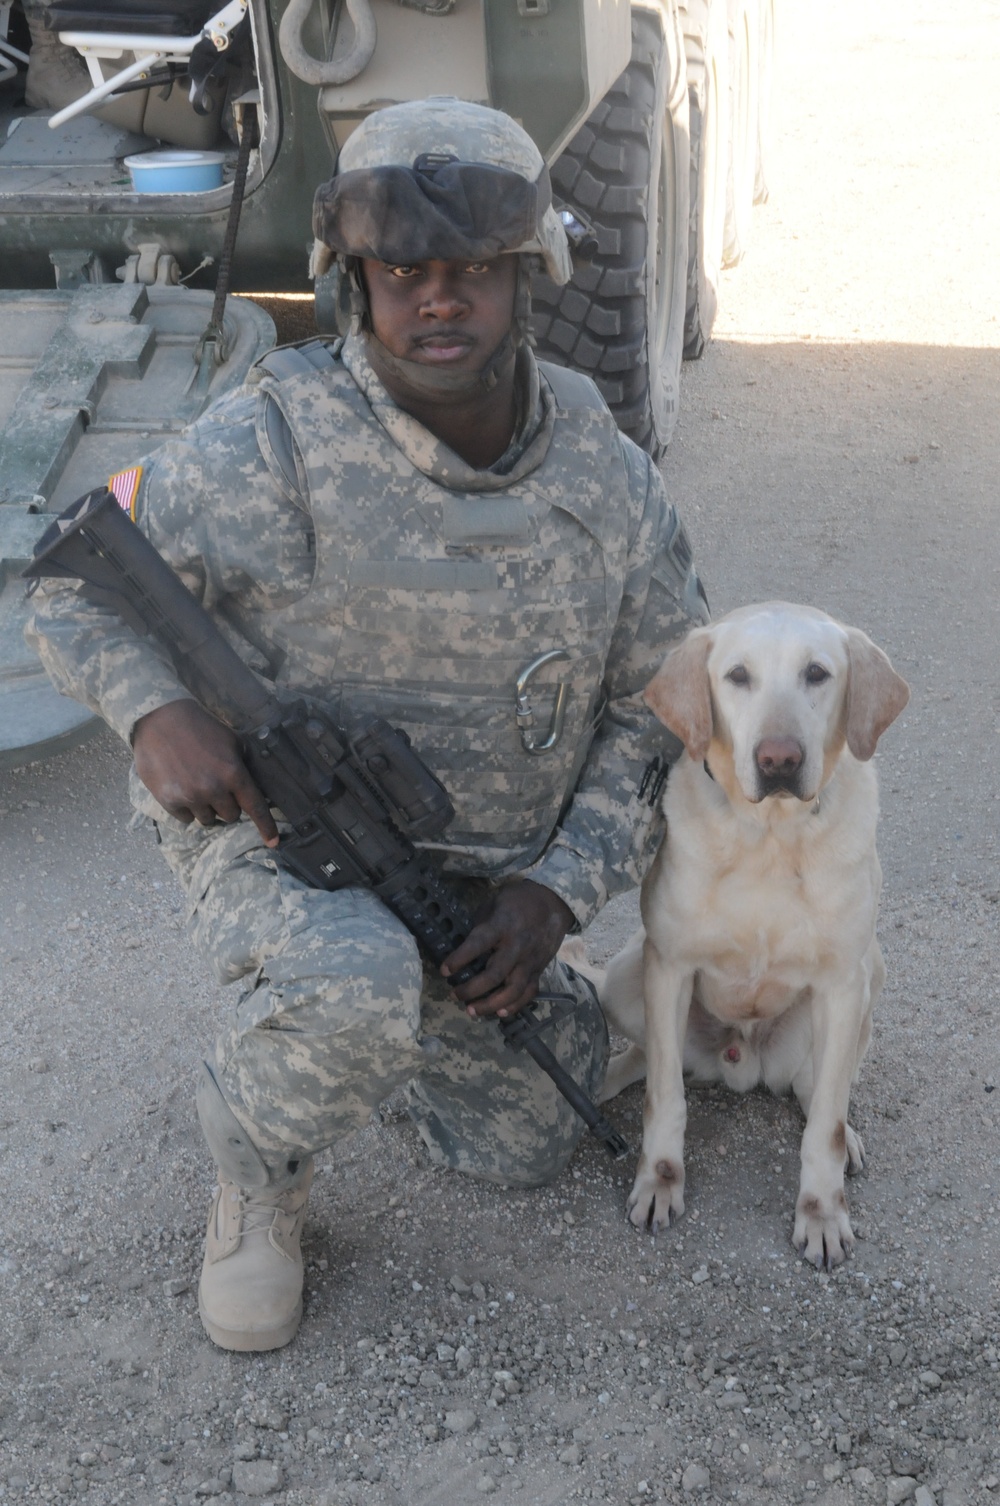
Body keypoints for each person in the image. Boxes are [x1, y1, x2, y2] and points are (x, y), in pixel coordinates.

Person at [26, 96, 708, 1353]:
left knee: (525, 1138)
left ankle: (394, 1028)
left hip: (478, 885)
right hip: (278, 833)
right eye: (402, 272)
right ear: (355, 282)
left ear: (528, 280)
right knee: (349, 991)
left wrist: (554, 895)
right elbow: (66, 582)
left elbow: (659, 707)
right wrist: (153, 710)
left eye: (470, 273)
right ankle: (256, 1169)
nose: (436, 301)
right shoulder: (266, 444)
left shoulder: (603, 475)